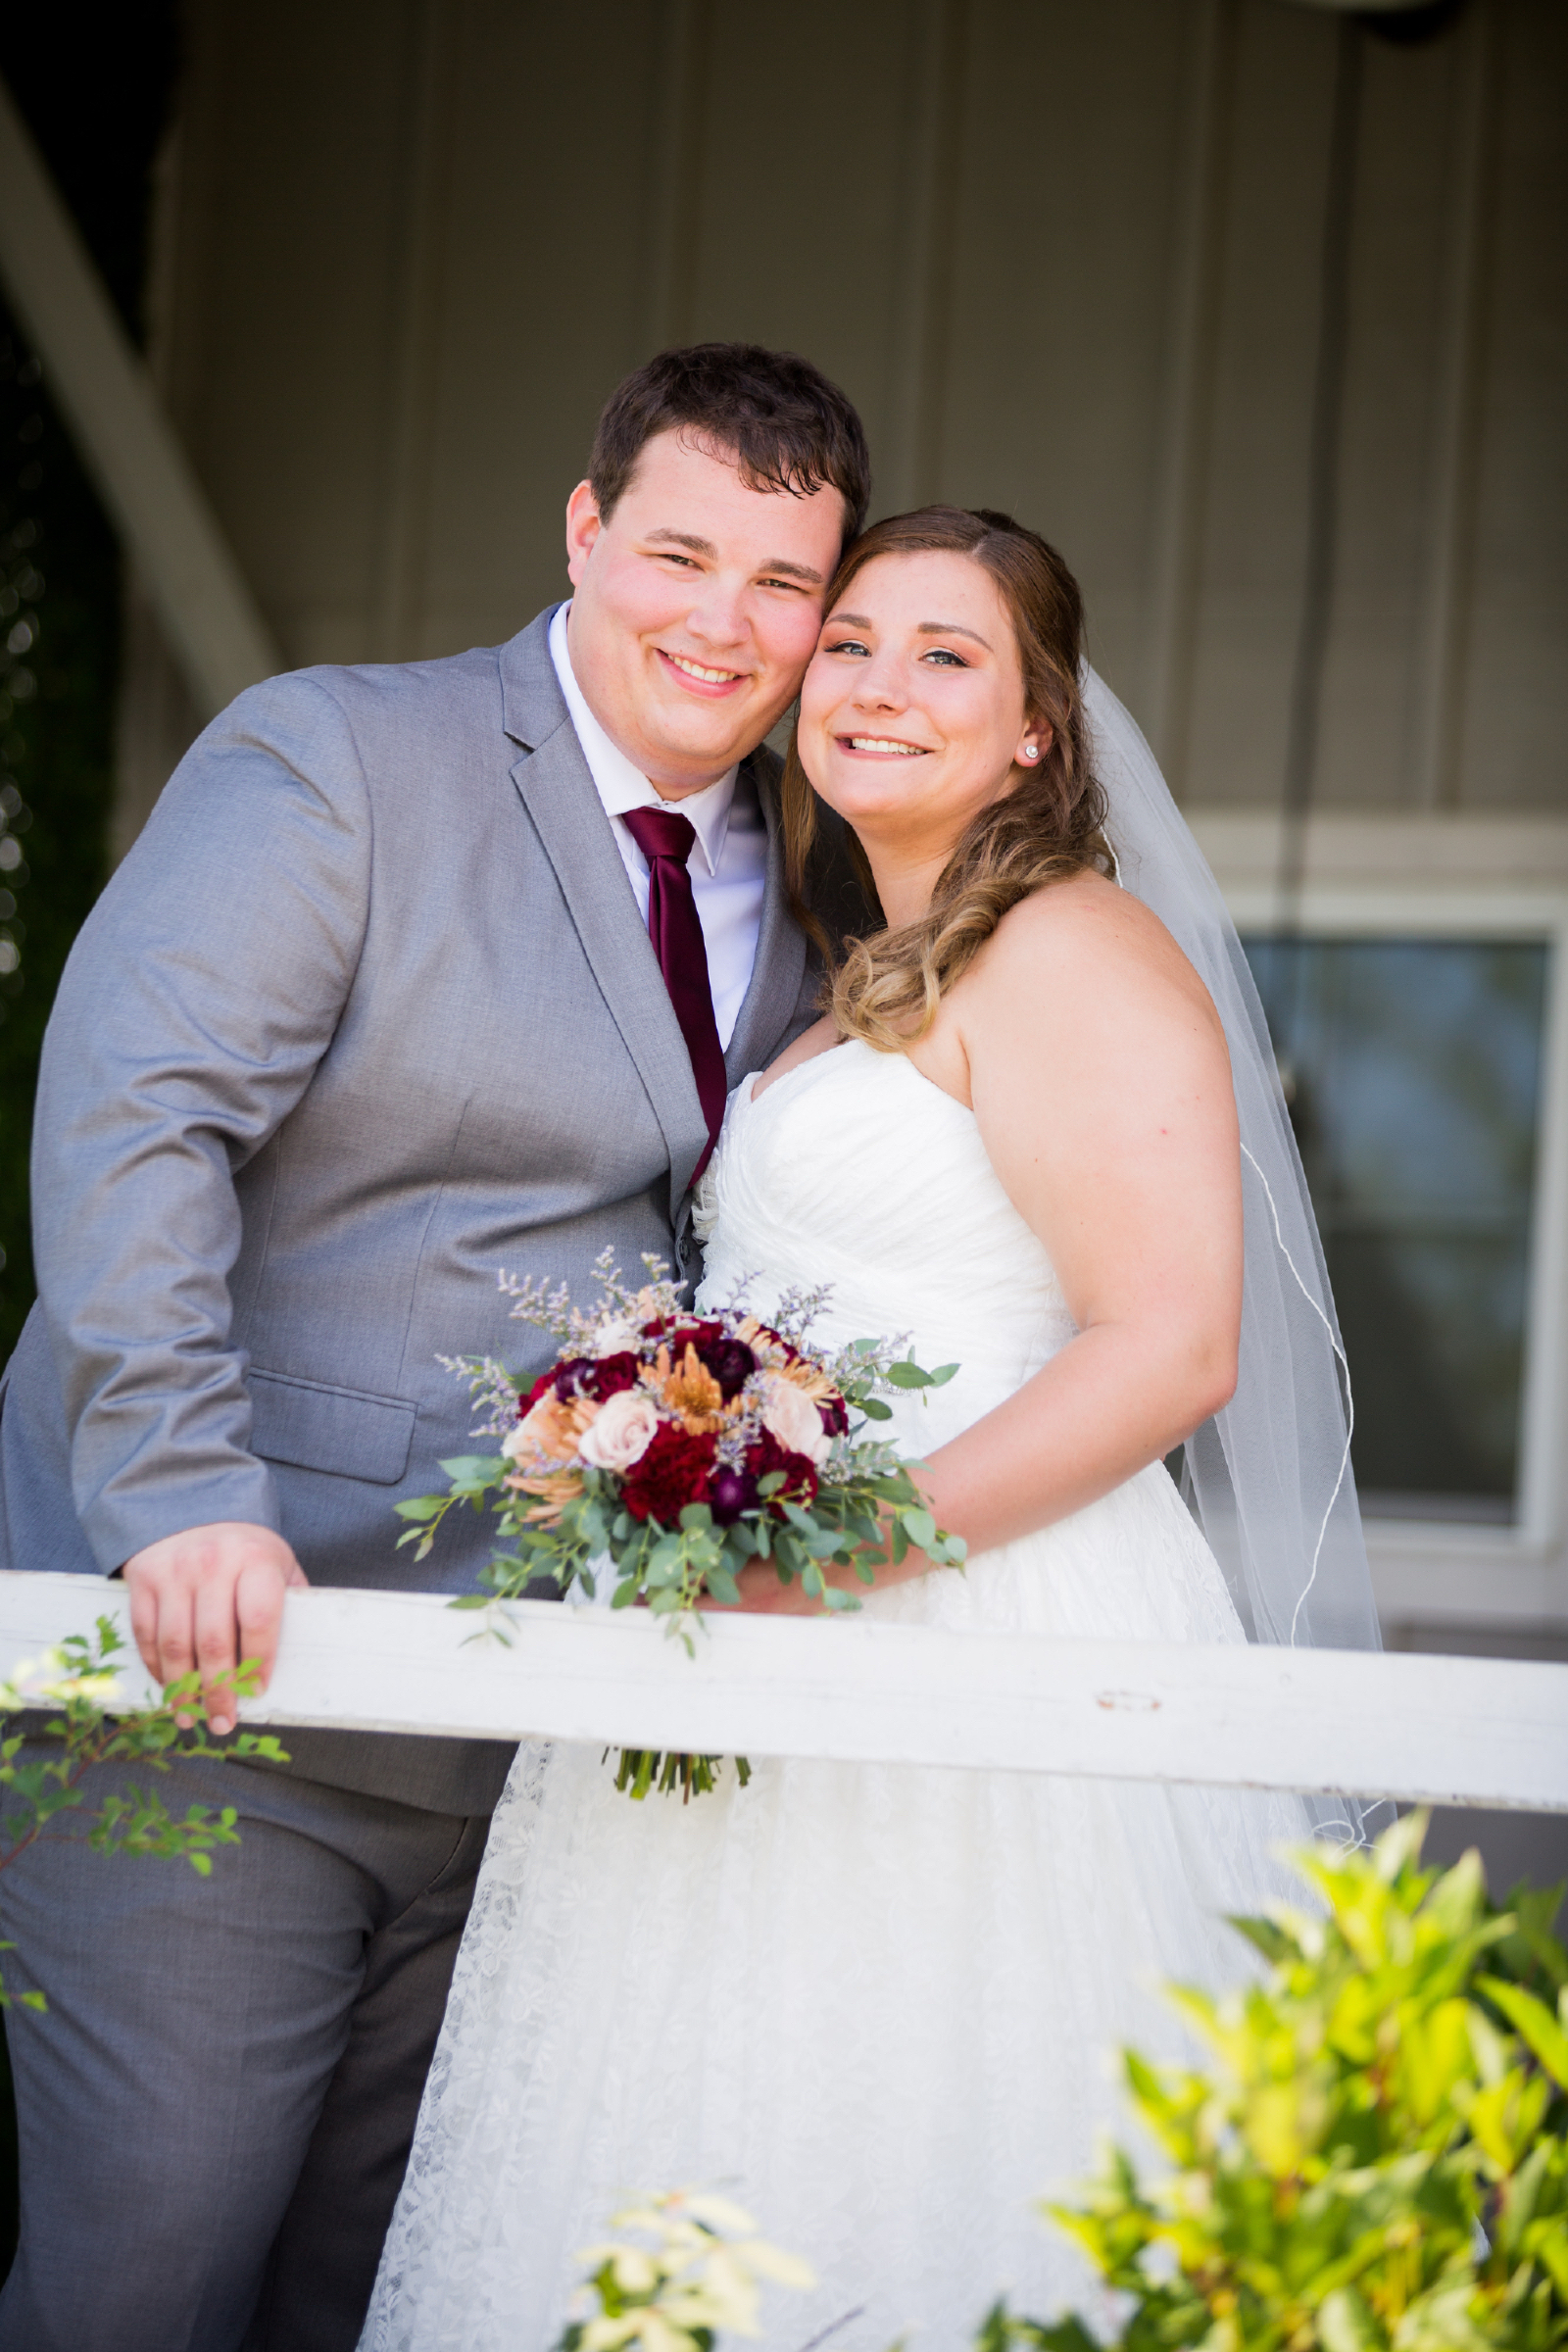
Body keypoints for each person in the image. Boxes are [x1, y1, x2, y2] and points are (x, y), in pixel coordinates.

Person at [360, 507, 1385, 2350]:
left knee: (949, 2147)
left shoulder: (1074, 948)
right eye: (850, 645)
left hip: (979, 1638)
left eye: (947, 655)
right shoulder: (848, 989)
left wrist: (832, 1567)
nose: (879, 687)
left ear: (1034, 733)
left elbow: (1172, 1348)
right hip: (759, 1644)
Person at [0, 343, 869, 2352]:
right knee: (147, 2285)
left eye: (779, 583)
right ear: (579, 532)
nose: (719, 626)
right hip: (222, 1686)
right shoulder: (341, 759)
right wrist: (175, 1496)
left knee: (381, 2302)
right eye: (676, 553)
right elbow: (138, 1113)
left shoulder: (813, 890)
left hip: (536, 1743)